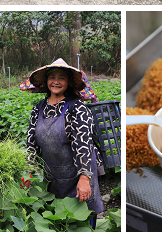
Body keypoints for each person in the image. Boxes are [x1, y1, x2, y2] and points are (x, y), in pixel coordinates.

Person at [26, 58, 104, 219]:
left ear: (69, 82)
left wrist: (84, 177)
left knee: (82, 217)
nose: (56, 81)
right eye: (52, 77)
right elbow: (31, 144)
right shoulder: (38, 109)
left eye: (61, 77)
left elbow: (83, 143)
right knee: (57, 217)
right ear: (46, 81)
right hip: (52, 174)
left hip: (78, 172)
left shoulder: (77, 107)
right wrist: (28, 171)